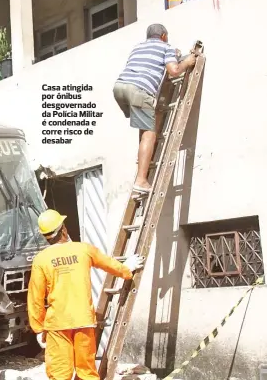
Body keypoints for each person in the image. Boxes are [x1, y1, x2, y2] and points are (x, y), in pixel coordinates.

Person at [27, 209, 145, 380]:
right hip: (84, 321)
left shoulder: (41, 259)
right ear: (64, 229)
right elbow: (110, 264)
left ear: (46, 236)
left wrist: (38, 328)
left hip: (57, 324)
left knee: (59, 374)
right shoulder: (84, 250)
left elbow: (35, 298)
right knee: (87, 372)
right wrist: (127, 268)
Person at [113, 23, 197, 193]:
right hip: (139, 90)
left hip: (120, 88)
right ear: (164, 35)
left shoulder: (138, 48)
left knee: (144, 130)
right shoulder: (166, 47)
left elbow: (148, 65)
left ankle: (141, 170)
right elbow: (174, 71)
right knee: (149, 135)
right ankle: (142, 180)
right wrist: (186, 62)